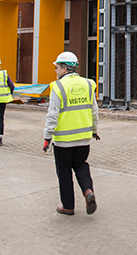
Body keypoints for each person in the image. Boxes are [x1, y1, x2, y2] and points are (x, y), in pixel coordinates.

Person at [43, 51, 100, 216]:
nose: (56, 71)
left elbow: (52, 115)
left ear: (64, 68)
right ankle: (88, 191)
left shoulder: (58, 87)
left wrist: (47, 136)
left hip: (63, 141)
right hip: (83, 139)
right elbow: (94, 112)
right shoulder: (88, 84)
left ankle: (68, 206)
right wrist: (94, 131)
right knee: (81, 166)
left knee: (64, 172)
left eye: (57, 67)